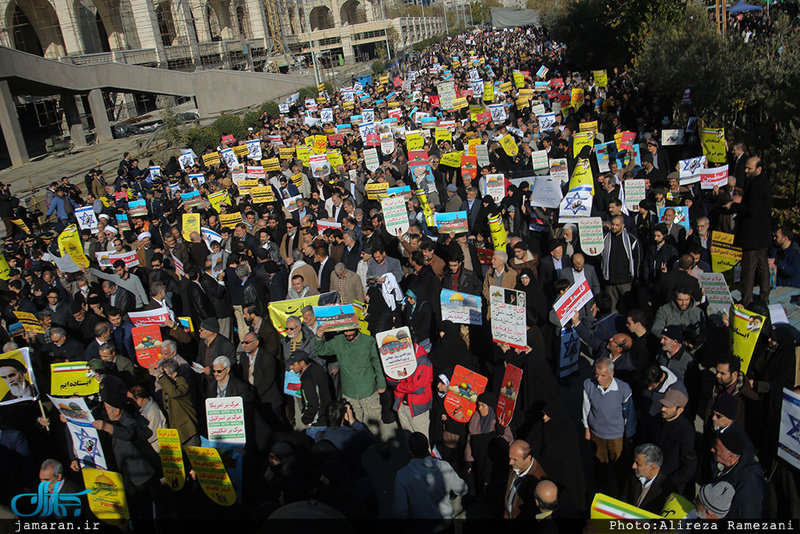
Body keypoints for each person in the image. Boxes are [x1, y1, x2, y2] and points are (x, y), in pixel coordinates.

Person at [314, 328, 388, 452]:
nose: (348, 334)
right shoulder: (338, 341)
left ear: (357, 328)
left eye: (351, 331)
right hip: (349, 391)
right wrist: (319, 336)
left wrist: (381, 383)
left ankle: (382, 446)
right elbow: (321, 350)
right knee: (355, 421)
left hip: (368, 389)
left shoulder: (368, 341)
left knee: (374, 421)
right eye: (345, 331)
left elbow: (377, 362)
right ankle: (361, 448)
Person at [582, 358, 636, 497]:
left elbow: (629, 415)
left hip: (616, 437)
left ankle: (622, 496)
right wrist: (587, 428)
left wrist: (628, 436)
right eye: (597, 374)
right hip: (596, 434)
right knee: (599, 468)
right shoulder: (588, 384)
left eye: (602, 375)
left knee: (620, 469)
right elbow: (586, 408)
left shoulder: (624, 389)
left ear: (611, 374)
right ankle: (602, 495)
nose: (598, 378)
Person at [393, 432, 467, 528]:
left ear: (410, 450)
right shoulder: (444, 466)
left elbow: (400, 511)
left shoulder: (402, 476)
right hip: (445, 523)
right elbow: (462, 489)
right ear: (428, 446)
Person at [724, 157, 772, 306]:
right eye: (745, 168)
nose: (746, 171)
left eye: (749, 168)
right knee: (762, 265)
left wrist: (733, 206)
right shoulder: (764, 182)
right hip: (762, 233)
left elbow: (752, 209)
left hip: (752, 235)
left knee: (749, 269)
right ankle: (764, 294)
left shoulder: (756, 185)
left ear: (759, 169)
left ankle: (746, 299)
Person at [711, 431, 765, 519]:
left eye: (716, 449)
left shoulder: (748, 484)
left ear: (730, 455)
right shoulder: (726, 465)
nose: (712, 450)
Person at [654, 389, 697, 493]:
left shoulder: (686, 433)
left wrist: (670, 481)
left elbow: (688, 468)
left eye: (668, 407)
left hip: (668, 484)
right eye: (663, 405)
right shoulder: (657, 420)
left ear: (680, 410)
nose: (663, 409)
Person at [286, 349, 333, 441]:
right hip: (326, 417)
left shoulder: (307, 380)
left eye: (294, 364)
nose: (291, 367)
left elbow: (313, 403)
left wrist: (306, 420)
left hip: (316, 424)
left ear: (302, 363)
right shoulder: (317, 368)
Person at [151, 357, 199, 446]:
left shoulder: (182, 383)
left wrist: (161, 376)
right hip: (174, 429)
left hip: (187, 430)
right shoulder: (168, 384)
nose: (164, 377)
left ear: (175, 374)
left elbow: (174, 393)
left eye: (166, 374)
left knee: (194, 457)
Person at [390, 342, 433, 439]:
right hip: (401, 404)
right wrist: (396, 379)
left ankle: (427, 454)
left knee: (422, 440)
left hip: (417, 408)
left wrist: (399, 386)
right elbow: (390, 379)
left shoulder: (423, 361)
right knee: (408, 438)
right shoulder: (396, 355)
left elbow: (417, 387)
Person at [601, 215, 640, 313]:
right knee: (612, 309)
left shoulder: (631, 239)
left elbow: (637, 259)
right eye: (613, 224)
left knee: (628, 307)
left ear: (623, 226)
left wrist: (636, 276)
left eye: (617, 225)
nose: (614, 227)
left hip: (625, 281)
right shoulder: (605, 239)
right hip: (610, 280)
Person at [623, 443, 674, 514]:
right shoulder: (633, 476)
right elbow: (625, 499)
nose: (633, 466)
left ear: (652, 467)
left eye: (638, 464)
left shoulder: (667, 489)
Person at [504, 439, 547, 519]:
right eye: (510, 458)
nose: (510, 462)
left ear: (528, 458)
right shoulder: (515, 466)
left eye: (514, 459)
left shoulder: (537, 479)